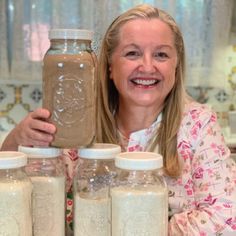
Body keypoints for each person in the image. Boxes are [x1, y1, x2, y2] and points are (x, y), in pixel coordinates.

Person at [1, 3, 236, 235]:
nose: (147, 65)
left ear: (176, 67)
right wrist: (15, 140)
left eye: (161, 54)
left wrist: (143, 228)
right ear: (110, 67)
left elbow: (227, 217)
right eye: (132, 53)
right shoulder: (77, 127)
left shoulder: (198, 125)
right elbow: (22, 199)